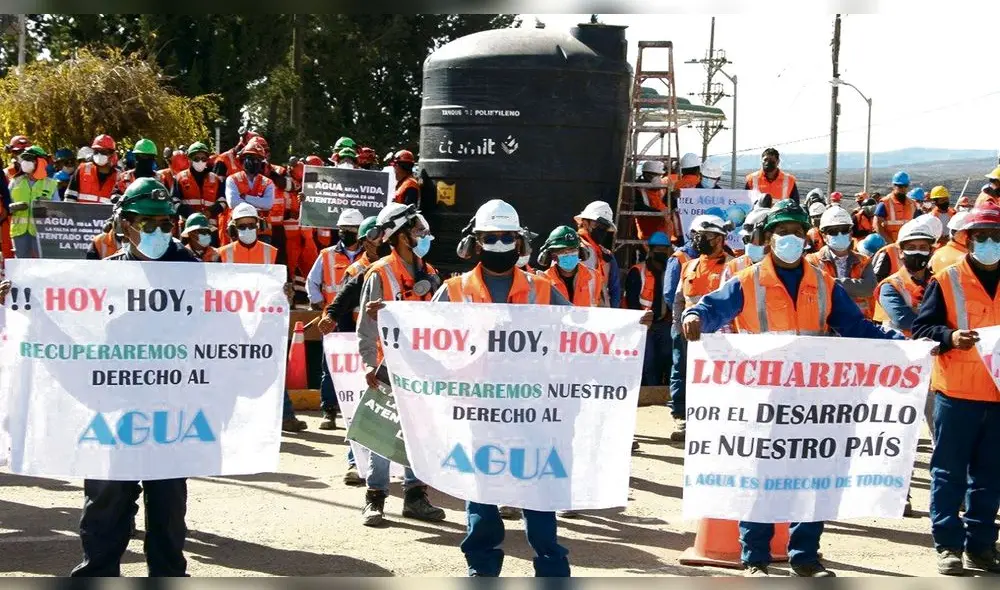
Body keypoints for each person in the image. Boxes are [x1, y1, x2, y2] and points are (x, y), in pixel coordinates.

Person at [681, 199, 904, 577]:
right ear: (769, 238)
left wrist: (896, 340)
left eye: (798, 233)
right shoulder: (748, 279)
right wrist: (692, 315)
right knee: (760, 477)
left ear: (806, 238)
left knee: (812, 476)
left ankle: (804, 556)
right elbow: (711, 307)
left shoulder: (823, 282)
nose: (791, 239)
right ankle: (755, 558)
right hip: (764, 400)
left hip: (811, 401)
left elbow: (856, 326)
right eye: (783, 232)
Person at [430, 198, 574, 577]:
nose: (498, 246)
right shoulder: (453, 290)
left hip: (532, 410)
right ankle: (482, 569)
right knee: (482, 495)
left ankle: (552, 570)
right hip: (479, 412)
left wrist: (630, 330)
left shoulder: (543, 290)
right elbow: (423, 336)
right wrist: (389, 333)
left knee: (538, 494)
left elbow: (579, 335)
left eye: (505, 237)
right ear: (475, 242)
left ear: (519, 241)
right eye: (490, 238)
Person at [59, 177, 195, 576]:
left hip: (170, 412)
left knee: (168, 507)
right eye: (146, 223)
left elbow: (226, 332)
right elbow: (72, 327)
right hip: (114, 413)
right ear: (125, 224)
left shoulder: (195, 274)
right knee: (106, 504)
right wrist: (20, 302)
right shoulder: (105, 276)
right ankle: (98, 574)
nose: (156, 232)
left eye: (164, 224)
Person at [911, 202, 1000, 576]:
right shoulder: (947, 279)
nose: (989, 243)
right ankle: (948, 545)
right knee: (948, 473)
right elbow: (922, 331)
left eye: (996, 237)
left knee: (990, 475)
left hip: (997, 397)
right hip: (956, 394)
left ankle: (981, 547)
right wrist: (950, 336)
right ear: (968, 240)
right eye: (982, 237)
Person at [355, 202, 446, 526]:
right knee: (382, 433)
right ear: (402, 235)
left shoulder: (430, 273)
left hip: (420, 367)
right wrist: (368, 363)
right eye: (417, 229)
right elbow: (366, 326)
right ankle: (375, 498)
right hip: (386, 365)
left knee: (418, 433)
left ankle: (415, 496)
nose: (423, 234)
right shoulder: (379, 273)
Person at [218, 203, 306, 433]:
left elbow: (283, 284)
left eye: (251, 225)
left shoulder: (273, 252)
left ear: (259, 225)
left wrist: (287, 294)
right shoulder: (223, 254)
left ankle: (285, 415)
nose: (248, 229)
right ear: (233, 228)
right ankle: (234, 417)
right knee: (231, 369)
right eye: (242, 226)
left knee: (273, 367)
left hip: (266, 319)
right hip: (233, 321)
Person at [873, 217, 938, 505]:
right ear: (900, 252)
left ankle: (946, 493)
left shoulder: (940, 280)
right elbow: (902, 319)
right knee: (901, 434)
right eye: (912, 247)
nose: (918, 253)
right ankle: (900, 494)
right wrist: (939, 330)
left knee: (941, 435)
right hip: (900, 368)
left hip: (936, 367)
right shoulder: (892, 285)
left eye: (924, 247)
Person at [669, 214, 731, 441]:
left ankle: (714, 424)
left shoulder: (731, 266)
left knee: (716, 380)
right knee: (684, 374)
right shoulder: (689, 265)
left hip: (718, 336)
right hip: (687, 333)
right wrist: (677, 327)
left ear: (720, 239)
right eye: (698, 235)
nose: (700, 240)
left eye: (706, 236)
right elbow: (678, 299)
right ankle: (685, 419)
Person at [805, 206, 876, 318]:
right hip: (826, 326)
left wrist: (827, 283)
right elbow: (813, 289)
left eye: (844, 230)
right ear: (824, 236)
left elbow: (868, 289)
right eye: (833, 231)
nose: (839, 234)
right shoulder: (812, 261)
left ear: (851, 233)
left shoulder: (864, 261)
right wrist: (854, 287)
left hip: (860, 326)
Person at [626, 231, 673, 387]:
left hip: (665, 323)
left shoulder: (670, 271)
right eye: (657, 249)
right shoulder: (637, 272)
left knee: (667, 358)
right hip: (644, 325)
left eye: (664, 249)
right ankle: (650, 393)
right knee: (648, 361)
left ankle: (663, 391)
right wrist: (641, 323)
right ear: (650, 250)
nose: (661, 252)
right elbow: (632, 302)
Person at [308, 208, 365, 310]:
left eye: (351, 229)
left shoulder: (368, 255)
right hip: (333, 316)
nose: (346, 232)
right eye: (343, 228)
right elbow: (312, 281)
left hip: (360, 314)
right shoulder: (327, 254)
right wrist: (317, 300)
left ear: (360, 231)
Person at [8, 145, 56, 258]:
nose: (25, 162)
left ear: (40, 162)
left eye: (30, 159)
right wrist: (13, 207)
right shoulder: (15, 182)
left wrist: (47, 206)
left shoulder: (51, 184)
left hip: (41, 232)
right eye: (24, 159)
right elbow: (5, 205)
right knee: (21, 266)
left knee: (42, 265)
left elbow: (58, 209)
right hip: (19, 232)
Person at [224, 137, 274, 245]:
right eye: (251, 157)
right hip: (239, 228)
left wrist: (245, 197)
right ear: (243, 159)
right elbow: (233, 203)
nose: (255, 161)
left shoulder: (268, 182)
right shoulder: (232, 179)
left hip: (262, 231)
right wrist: (258, 203)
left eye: (258, 159)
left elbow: (268, 204)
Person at [537, 225, 601, 306]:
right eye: (562, 251)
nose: (568, 254)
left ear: (580, 251)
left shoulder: (594, 277)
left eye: (572, 250)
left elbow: (599, 307)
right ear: (553, 255)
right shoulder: (543, 280)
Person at [573, 200, 621, 307]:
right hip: (576, 313)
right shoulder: (570, 249)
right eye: (597, 224)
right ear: (585, 222)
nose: (602, 229)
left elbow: (615, 290)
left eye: (605, 227)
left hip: (600, 315)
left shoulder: (607, 256)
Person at [173, 143, 223, 239]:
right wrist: (190, 213)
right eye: (196, 159)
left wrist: (210, 212)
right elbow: (174, 201)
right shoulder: (180, 178)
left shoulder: (215, 179)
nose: (200, 161)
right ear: (189, 159)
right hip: (188, 227)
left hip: (210, 228)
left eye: (203, 159)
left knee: (211, 253)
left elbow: (223, 201)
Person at [721, 207, 771, 282]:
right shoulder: (733, 267)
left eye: (749, 238)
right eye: (745, 239)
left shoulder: (786, 268)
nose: (748, 244)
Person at [65, 134, 119, 204]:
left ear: (112, 154)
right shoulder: (82, 170)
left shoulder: (118, 177)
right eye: (96, 151)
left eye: (103, 152)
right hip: (80, 214)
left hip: (106, 215)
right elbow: (69, 198)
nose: (99, 155)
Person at [874, 171, 916, 243]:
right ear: (893, 186)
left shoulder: (912, 204)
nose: (903, 189)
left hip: (907, 244)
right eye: (900, 186)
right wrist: (890, 243)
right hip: (890, 244)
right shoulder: (885, 203)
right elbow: (877, 226)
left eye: (905, 186)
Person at [633, 160, 668, 240]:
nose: (660, 178)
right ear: (647, 175)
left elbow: (665, 203)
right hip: (647, 232)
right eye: (657, 176)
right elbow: (638, 207)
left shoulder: (659, 190)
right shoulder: (638, 189)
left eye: (660, 176)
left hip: (660, 230)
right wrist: (658, 213)